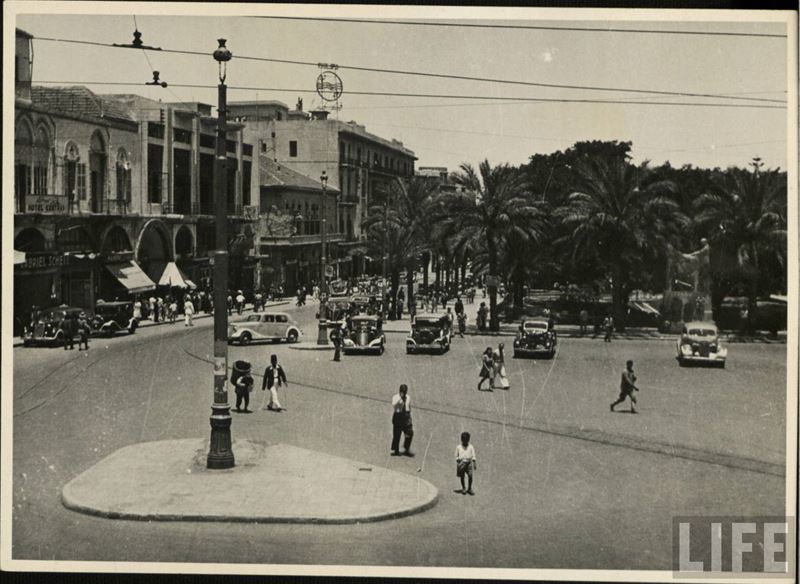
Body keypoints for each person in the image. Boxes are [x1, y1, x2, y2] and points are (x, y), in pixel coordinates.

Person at [390, 384, 414, 457]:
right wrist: (401, 399)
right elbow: (394, 405)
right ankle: (396, 450)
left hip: (406, 416)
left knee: (410, 432)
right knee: (397, 434)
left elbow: (409, 406)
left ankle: (406, 448)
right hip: (398, 416)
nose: (404, 393)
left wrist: (409, 416)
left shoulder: (408, 397)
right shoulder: (395, 397)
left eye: (405, 392)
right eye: (402, 391)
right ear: (400, 391)